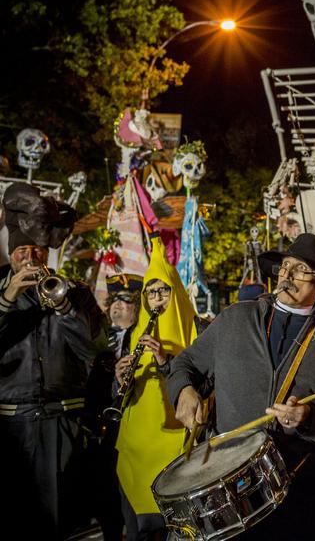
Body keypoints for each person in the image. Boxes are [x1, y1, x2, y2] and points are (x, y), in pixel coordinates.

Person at [167, 233, 315, 540]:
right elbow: (184, 365)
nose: (288, 275)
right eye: (285, 266)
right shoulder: (235, 318)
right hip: (226, 489)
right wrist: (184, 391)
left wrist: (308, 417)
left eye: (301, 270)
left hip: (298, 493)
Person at [0, 183, 107, 538]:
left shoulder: (75, 293)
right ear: (11, 254)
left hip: (64, 424)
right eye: (22, 251)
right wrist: (8, 297)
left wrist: (64, 307)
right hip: (11, 428)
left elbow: (95, 350)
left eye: (37, 250)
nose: (30, 257)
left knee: (64, 521)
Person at [115, 236, 197, 541]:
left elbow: (203, 381)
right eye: (151, 291)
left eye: (164, 290)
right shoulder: (132, 333)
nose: (158, 297)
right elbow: (125, 394)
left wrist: (165, 360)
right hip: (136, 445)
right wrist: (120, 378)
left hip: (174, 444)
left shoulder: (196, 327)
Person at [82, 273, 143, 541]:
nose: (118, 304)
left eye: (126, 299)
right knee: (104, 496)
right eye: (114, 299)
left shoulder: (141, 337)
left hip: (130, 428)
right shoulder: (99, 336)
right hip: (100, 429)